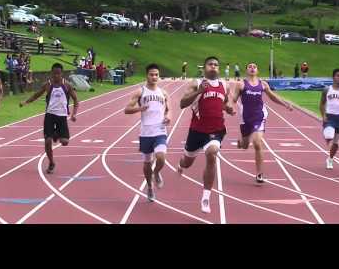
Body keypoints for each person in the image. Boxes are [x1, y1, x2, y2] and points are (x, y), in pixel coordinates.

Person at [177, 56, 235, 213]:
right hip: (196, 131)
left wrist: (228, 108)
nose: (214, 67)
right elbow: (182, 103)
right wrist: (200, 91)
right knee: (187, 162)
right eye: (210, 64)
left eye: (216, 65)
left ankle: (206, 197)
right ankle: (181, 164)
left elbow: (225, 102)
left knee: (212, 153)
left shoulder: (225, 84)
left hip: (216, 130)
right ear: (204, 68)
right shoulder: (196, 83)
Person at [232, 62, 293, 183]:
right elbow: (233, 99)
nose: (252, 68)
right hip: (245, 118)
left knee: (257, 142)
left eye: (254, 67)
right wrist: (228, 104)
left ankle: (259, 174)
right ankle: (240, 142)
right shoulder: (241, 84)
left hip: (259, 116)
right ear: (246, 71)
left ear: (257, 70)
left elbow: (273, 97)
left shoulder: (263, 84)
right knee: (244, 146)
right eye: (250, 67)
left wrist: (285, 104)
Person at [19, 63, 79, 174]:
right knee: (47, 141)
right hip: (50, 115)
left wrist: (74, 114)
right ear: (51, 73)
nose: (56, 76)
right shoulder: (48, 85)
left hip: (62, 116)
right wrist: (25, 102)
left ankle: (56, 134)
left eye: (58, 73)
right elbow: (36, 95)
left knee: (64, 142)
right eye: (54, 73)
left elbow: (76, 100)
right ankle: (51, 162)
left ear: (62, 74)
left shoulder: (67, 85)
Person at [124, 64, 171, 202]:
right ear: (147, 75)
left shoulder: (163, 93)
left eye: (156, 74)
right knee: (147, 162)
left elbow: (169, 109)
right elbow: (127, 109)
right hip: (145, 132)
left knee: (161, 157)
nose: (154, 77)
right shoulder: (140, 92)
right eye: (151, 74)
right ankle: (149, 187)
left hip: (160, 130)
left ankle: (156, 173)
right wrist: (140, 109)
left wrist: (168, 116)